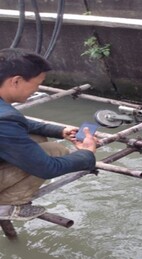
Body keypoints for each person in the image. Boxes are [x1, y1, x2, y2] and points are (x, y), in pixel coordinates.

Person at [0, 48, 97, 221]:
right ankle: (8, 204)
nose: (37, 88)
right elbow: (47, 168)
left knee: (36, 139)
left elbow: (18, 123)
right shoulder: (6, 119)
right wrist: (87, 154)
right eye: (37, 84)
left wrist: (59, 130)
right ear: (16, 81)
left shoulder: (6, 116)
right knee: (55, 151)